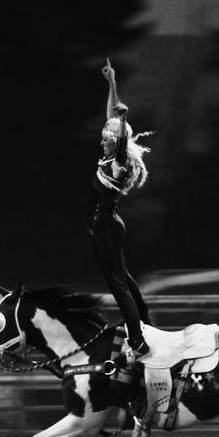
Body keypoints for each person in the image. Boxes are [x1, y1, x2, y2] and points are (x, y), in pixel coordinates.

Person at [88, 57, 152, 360]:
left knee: (116, 283)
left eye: (106, 140)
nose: (102, 142)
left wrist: (124, 120)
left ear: (116, 142)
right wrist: (112, 82)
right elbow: (111, 115)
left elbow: (121, 134)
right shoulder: (110, 155)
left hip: (107, 224)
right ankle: (145, 321)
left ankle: (138, 338)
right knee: (123, 278)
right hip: (105, 223)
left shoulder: (119, 163)